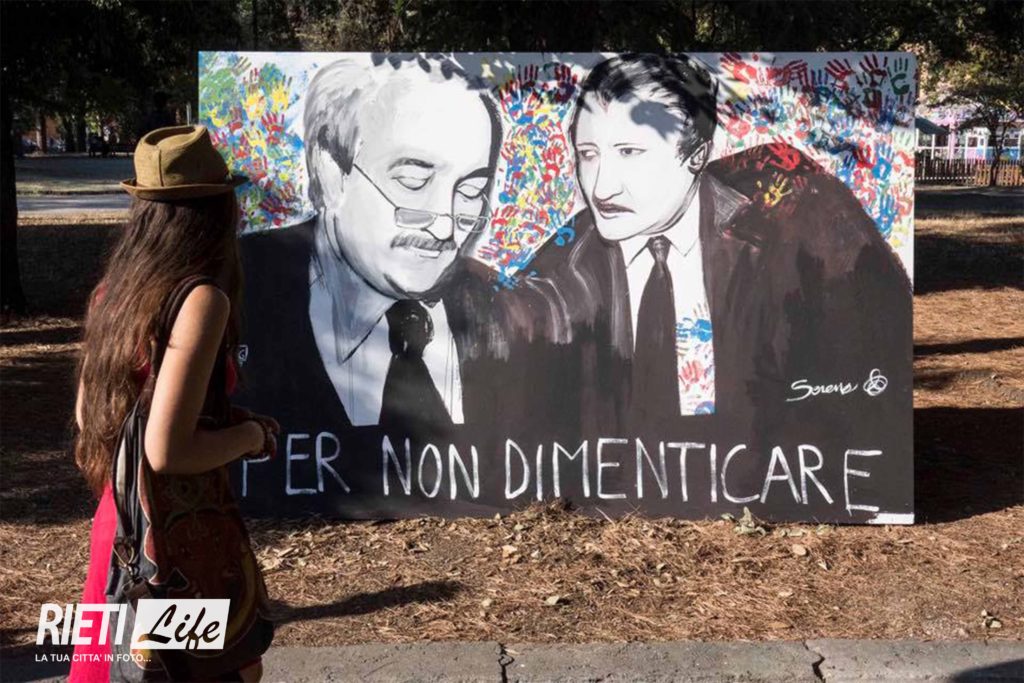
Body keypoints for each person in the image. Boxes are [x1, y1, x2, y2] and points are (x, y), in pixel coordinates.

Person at [527, 53, 912, 455]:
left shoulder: (796, 216)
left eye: (629, 152)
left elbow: (875, 372)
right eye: (588, 154)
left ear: (696, 155)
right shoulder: (567, 261)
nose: (602, 188)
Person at [70, 125, 277, 682]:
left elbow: (90, 418)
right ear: (218, 211)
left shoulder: (113, 295)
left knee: (132, 671)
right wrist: (252, 437)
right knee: (219, 672)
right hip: (176, 539)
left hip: (119, 524)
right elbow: (166, 451)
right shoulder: (200, 299)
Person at [238, 55, 507, 445]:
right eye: (413, 181)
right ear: (331, 173)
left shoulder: (508, 310)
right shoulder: (242, 286)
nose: (446, 227)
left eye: (471, 191)